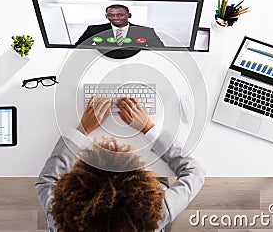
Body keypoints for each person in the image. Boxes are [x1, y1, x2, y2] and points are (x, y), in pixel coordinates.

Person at [35, 96, 205, 232]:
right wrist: (148, 128)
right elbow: (194, 172)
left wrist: (82, 130)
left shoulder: (63, 218)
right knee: (161, 181)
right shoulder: (157, 211)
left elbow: (46, 181)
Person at [75, 4, 165, 48]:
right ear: (106, 16)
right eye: (111, 15)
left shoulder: (146, 32)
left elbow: (160, 51)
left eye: (120, 15)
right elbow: (78, 49)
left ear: (129, 15)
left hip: (136, 67)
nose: (115, 18)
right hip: (102, 66)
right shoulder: (94, 30)